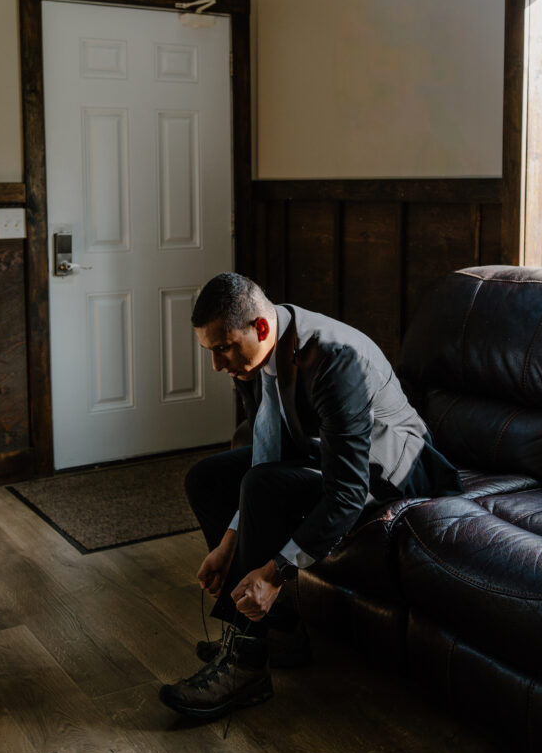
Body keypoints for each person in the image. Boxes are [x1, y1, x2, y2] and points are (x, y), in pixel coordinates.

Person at [158, 273, 462, 722]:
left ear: (261, 329)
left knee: (260, 486)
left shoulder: (335, 360)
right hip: (327, 457)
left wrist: (275, 573)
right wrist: (228, 544)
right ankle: (278, 629)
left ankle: (247, 663)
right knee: (208, 479)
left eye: (223, 348)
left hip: (391, 473)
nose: (218, 365)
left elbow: (346, 493)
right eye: (210, 351)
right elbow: (267, 453)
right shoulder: (254, 357)